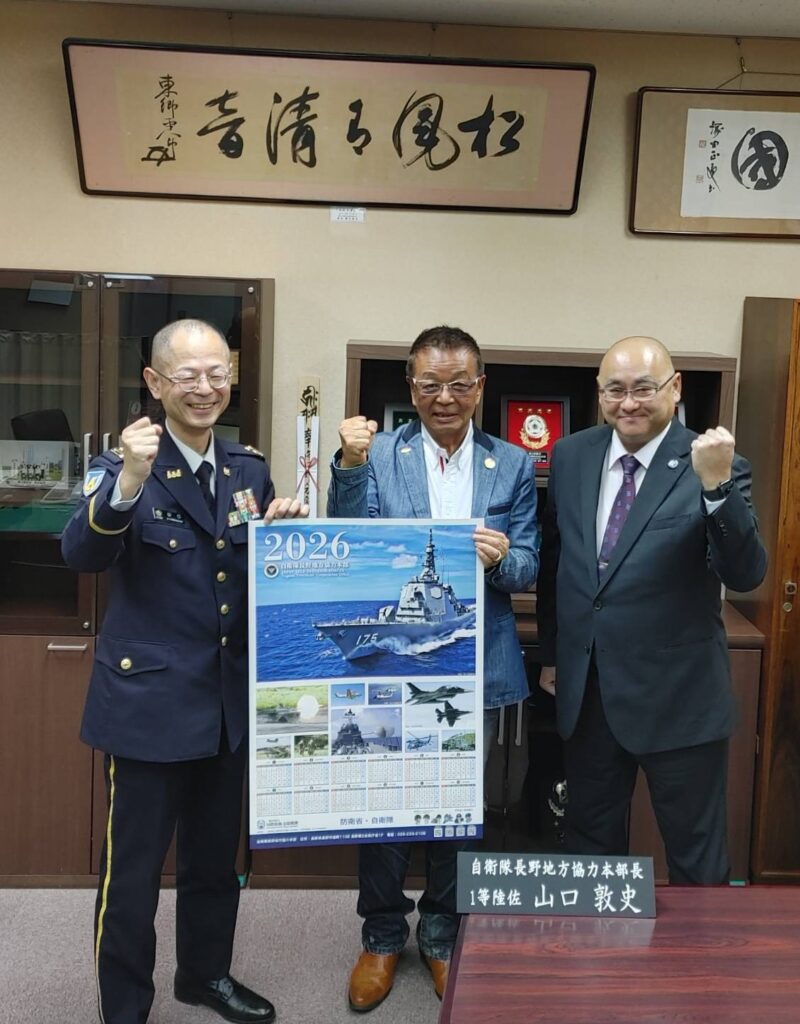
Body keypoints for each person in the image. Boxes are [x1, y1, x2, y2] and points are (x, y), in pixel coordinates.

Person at [62, 318, 307, 1024]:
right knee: (132, 876)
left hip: (226, 704)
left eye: (217, 373)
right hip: (148, 706)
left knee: (213, 862)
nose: (205, 388)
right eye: (188, 375)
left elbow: (246, 581)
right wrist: (128, 481)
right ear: (155, 382)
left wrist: (283, 542)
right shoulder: (123, 464)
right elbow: (82, 553)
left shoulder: (247, 468)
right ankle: (124, 1008)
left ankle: (205, 975)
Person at [327, 325, 539, 1010]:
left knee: (459, 806)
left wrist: (499, 559)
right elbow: (345, 537)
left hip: (476, 661)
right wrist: (349, 463)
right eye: (429, 384)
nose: (444, 397)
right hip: (395, 664)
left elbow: (528, 565)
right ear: (410, 387)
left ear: (480, 387)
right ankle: (383, 934)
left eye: (458, 384)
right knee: (382, 802)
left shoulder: (511, 464)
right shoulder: (379, 455)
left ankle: (443, 932)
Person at [536, 335, 767, 884]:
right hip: (590, 694)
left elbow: (745, 573)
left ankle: (699, 946)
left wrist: (716, 487)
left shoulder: (714, 462)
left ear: (675, 387)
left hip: (678, 699)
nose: (628, 404)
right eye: (614, 390)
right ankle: (601, 944)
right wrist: (552, 654)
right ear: (599, 392)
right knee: (591, 852)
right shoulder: (571, 455)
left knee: (696, 858)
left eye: (643, 389)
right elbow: (556, 562)